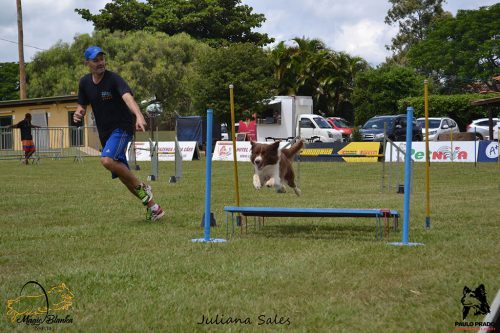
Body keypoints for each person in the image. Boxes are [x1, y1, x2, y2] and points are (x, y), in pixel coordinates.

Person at [74, 46, 165, 222]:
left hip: (122, 128)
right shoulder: (84, 83)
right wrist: (79, 113)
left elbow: (127, 97)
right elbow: (81, 105)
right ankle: (154, 208)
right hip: (105, 133)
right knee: (124, 177)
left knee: (107, 160)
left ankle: (143, 186)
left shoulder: (113, 79)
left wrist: (138, 115)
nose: (100, 63)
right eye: (96, 60)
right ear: (87, 63)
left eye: (102, 59)